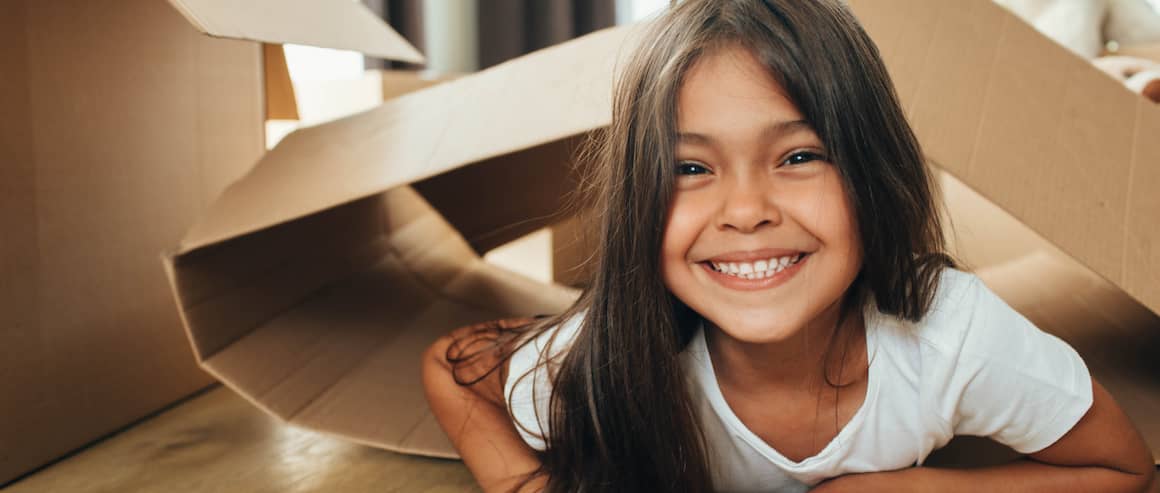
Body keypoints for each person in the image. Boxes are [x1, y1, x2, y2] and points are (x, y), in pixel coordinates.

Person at [422, 1, 1158, 491]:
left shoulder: (951, 334)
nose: (745, 211)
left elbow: (1124, 465)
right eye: (689, 168)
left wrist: (920, 486)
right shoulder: (613, 353)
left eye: (800, 155)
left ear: (875, 173)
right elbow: (454, 368)